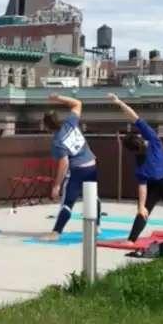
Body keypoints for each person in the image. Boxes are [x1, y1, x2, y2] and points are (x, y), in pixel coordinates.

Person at [108, 93, 163, 244]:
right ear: (140, 138)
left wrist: (141, 207)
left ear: (132, 151)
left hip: (155, 185)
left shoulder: (140, 163)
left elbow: (142, 187)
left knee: (144, 211)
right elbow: (134, 117)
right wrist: (119, 102)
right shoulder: (153, 139)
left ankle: (131, 240)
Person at [41, 93, 101, 241]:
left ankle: (56, 232)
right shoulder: (70, 123)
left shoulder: (57, 141)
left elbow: (64, 163)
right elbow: (77, 103)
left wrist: (56, 185)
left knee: (68, 202)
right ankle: (97, 226)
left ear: (46, 126)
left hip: (78, 171)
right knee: (93, 197)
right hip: (91, 165)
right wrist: (58, 98)